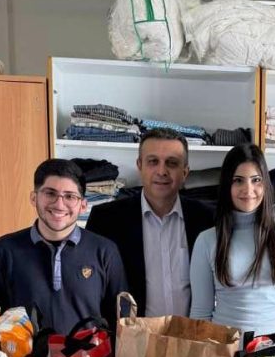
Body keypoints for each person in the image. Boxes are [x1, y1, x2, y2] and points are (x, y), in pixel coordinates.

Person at [0, 158, 127, 334]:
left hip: (89, 352)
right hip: (24, 352)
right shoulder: (3, 250)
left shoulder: (105, 251)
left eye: (70, 196)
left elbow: (121, 321)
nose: (59, 204)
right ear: (34, 198)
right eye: (50, 193)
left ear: (83, 205)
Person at [86, 128, 214, 317]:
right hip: (129, 334)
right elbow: (91, 290)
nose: (162, 171)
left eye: (172, 163)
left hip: (194, 334)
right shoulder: (106, 220)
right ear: (140, 166)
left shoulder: (208, 219)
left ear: (185, 172)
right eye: (153, 161)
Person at [189, 143, 275, 336]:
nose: (248, 189)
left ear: (266, 184)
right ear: (227, 185)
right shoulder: (206, 240)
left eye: (256, 180)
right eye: (238, 180)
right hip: (224, 350)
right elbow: (201, 313)